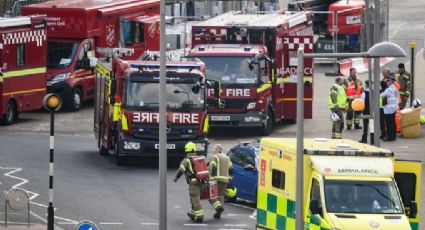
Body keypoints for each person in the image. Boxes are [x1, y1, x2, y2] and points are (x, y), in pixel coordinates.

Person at [174, 142, 223, 223]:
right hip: (204, 182)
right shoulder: (200, 158)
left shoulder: (186, 160)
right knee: (209, 196)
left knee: (195, 199)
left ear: (186, 150)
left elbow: (181, 170)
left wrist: (176, 178)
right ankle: (217, 207)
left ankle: (200, 216)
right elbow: (207, 168)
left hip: (194, 184)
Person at [209, 144, 233, 208]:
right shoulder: (227, 158)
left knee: (212, 196)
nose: (213, 151)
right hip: (225, 180)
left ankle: (218, 207)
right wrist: (229, 179)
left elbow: (212, 167)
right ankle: (220, 210)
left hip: (216, 180)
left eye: (214, 149)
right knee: (221, 196)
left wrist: (211, 178)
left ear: (217, 150)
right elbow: (231, 168)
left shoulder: (215, 157)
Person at [380, 76, 399, 141]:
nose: (386, 83)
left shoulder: (389, 89)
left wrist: (380, 93)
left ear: (390, 82)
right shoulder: (395, 88)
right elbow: (396, 96)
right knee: (393, 123)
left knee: (389, 124)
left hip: (388, 109)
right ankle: (393, 136)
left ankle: (390, 137)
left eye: (387, 81)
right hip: (393, 108)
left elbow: (382, 95)